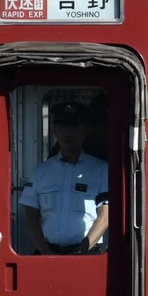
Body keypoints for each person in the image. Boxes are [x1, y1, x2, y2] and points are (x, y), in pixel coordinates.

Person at [20, 99, 109, 255]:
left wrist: (81, 251)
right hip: (47, 254)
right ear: (55, 131)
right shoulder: (41, 171)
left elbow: (105, 216)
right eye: (63, 126)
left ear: (86, 130)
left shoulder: (101, 169)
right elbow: (31, 217)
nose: (69, 133)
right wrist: (46, 251)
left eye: (75, 126)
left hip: (86, 255)